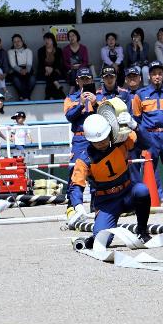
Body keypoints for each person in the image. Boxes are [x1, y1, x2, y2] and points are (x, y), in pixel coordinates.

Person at [68, 113, 151, 245]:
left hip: (128, 192)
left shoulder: (121, 141)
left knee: (142, 190)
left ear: (109, 133)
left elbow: (147, 143)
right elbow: (76, 184)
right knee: (101, 242)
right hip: (106, 202)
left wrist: (135, 126)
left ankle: (142, 231)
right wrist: (78, 205)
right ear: (89, 140)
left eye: (104, 139)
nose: (101, 143)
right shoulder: (84, 159)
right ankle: (93, 237)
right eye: (97, 141)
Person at [131, 61, 163, 205]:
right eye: (154, 74)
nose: (157, 76)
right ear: (149, 76)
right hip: (148, 135)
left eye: (159, 73)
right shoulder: (140, 94)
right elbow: (137, 117)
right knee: (149, 166)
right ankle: (155, 196)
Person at [63, 66, 102, 226]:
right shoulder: (70, 98)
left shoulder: (99, 96)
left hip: (97, 138)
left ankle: (97, 207)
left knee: (97, 172)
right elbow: (69, 117)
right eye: (82, 79)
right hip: (79, 139)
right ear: (77, 81)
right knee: (75, 172)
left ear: (91, 80)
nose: (85, 82)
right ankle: (73, 207)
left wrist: (95, 103)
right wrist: (80, 104)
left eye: (88, 79)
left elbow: (106, 114)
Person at [37, 32, 65, 100]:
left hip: (55, 70)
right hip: (44, 71)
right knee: (50, 76)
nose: (47, 41)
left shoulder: (58, 50)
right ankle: (59, 91)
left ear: (53, 40)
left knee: (51, 76)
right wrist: (46, 68)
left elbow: (58, 63)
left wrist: (52, 68)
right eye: (45, 39)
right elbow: (40, 64)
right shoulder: (41, 50)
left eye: (49, 39)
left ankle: (49, 97)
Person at [7, 34, 35, 101]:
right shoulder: (10, 52)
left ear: (22, 41)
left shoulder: (28, 51)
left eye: (18, 41)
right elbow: (13, 64)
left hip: (27, 70)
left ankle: (22, 97)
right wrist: (20, 70)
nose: (17, 43)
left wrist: (26, 71)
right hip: (16, 70)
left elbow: (29, 64)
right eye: (15, 42)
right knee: (16, 80)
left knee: (32, 79)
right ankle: (27, 97)